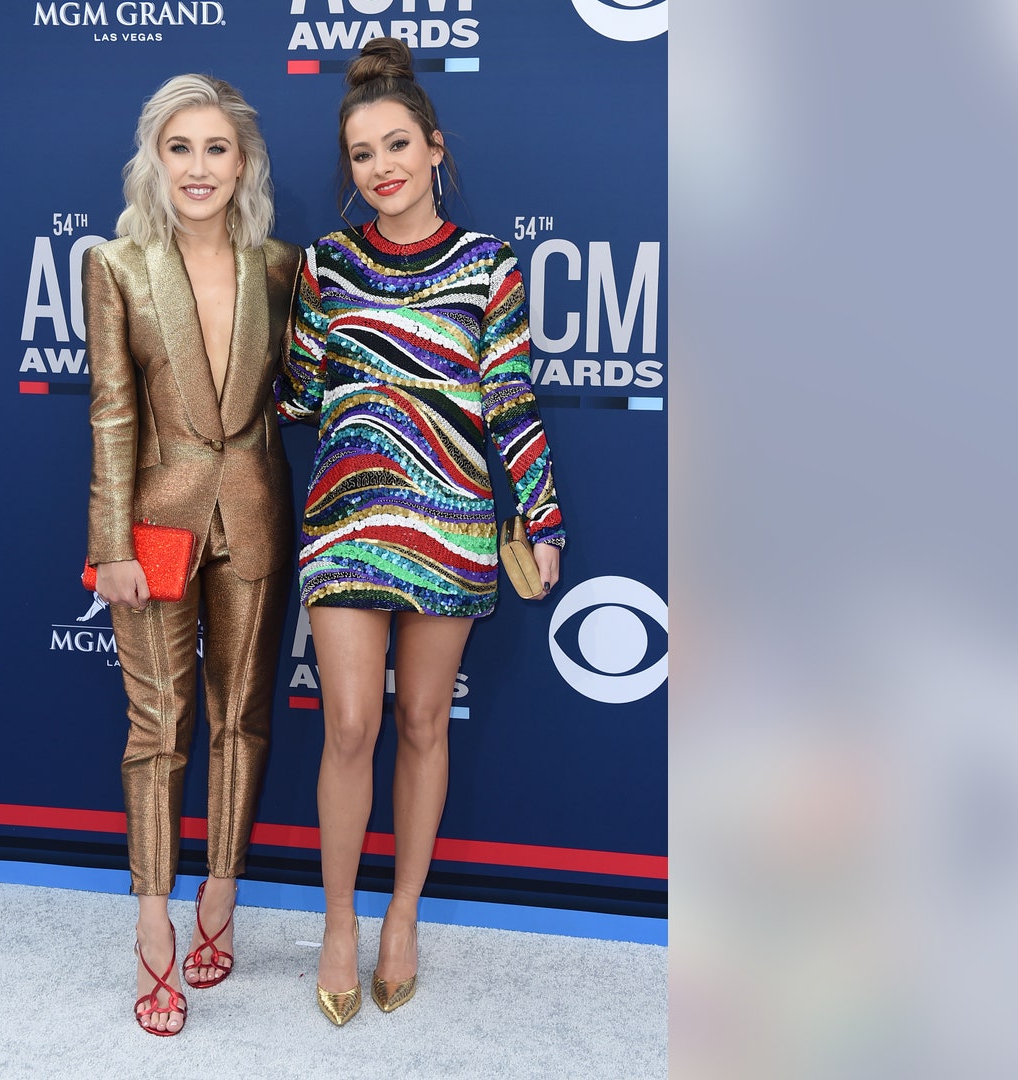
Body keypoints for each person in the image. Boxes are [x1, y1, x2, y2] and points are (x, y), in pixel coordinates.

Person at [277, 38, 566, 1026]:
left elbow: (513, 403)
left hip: (451, 522)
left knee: (420, 724)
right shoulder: (325, 265)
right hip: (348, 520)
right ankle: (340, 922)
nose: (383, 165)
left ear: (436, 145)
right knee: (350, 723)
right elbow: (301, 398)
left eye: (398, 143)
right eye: (362, 153)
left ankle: (402, 914)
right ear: (349, 170)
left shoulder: (490, 267)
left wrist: (543, 517)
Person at [82, 74, 300, 1037]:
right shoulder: (118, 265)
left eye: (216, 148)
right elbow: (113, 411)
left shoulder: (281, 266)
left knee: (241, 718)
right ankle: (154, 924)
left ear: (242, 163)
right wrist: (111, 541)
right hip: (155, 526)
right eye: (181, 148)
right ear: (154, 160)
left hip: (254, 512)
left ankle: (222, 892)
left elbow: (310, 386)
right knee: (158, 724)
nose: (199, 167)